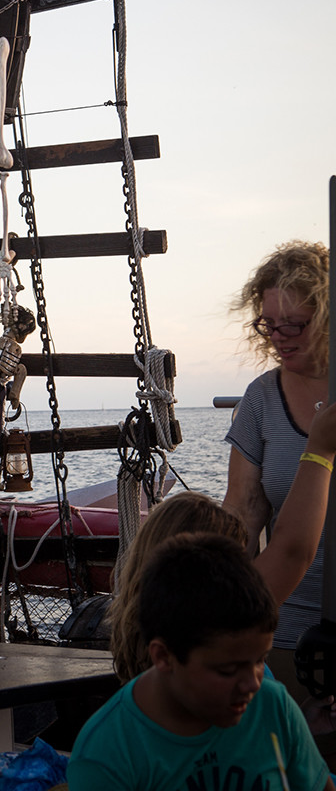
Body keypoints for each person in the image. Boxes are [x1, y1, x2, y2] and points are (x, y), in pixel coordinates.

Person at [67, 533, 335, 791]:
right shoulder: (107, 753)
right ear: (163, 656)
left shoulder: (274, 706)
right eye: (228, 670)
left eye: (260, 660)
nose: (253, 683)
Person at [110, 399, 336, 684]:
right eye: (233, 572)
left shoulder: (149, 651)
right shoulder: (218, 643)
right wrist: (319, 451)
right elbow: (294, 552)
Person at [222, 240, 329, 698]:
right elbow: (241, 518)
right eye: (269, 325)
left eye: (295, 324)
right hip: (285, 636)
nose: (279, 337)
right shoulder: (261, 399)